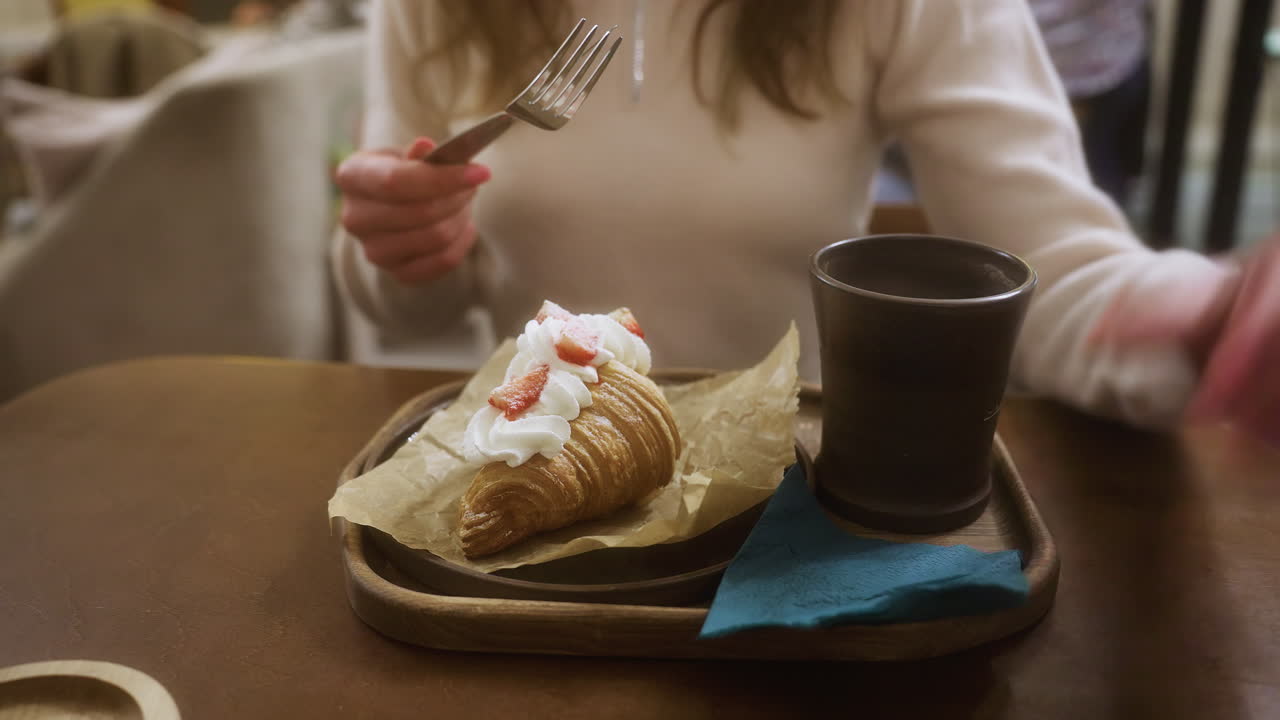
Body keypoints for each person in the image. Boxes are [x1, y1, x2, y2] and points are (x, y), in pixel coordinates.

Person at [332, 0, 1279, 447]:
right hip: (527, 465)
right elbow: (406, 315)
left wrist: (1209, 315)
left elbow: (1062, 276)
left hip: (793, 484)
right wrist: (398, 250)